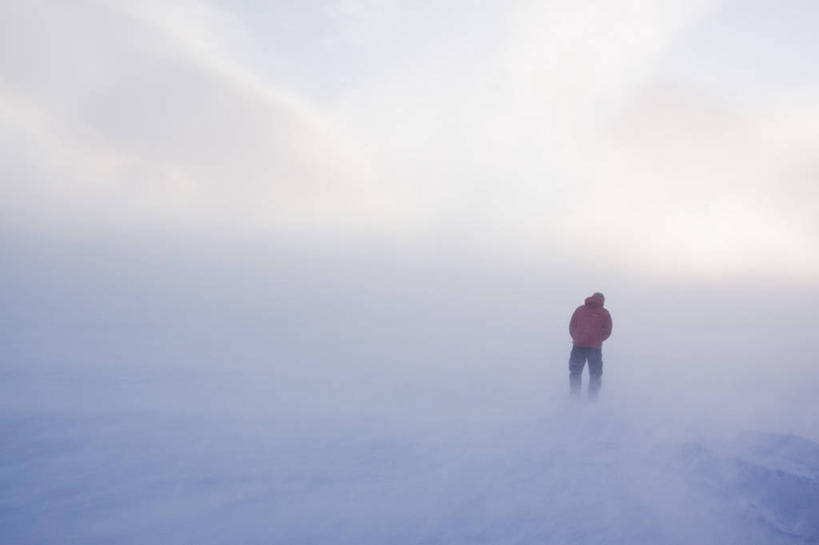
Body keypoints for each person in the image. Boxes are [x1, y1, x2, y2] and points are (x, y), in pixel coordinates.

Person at [568, 292, 612, 397]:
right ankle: (593, 398)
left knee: (575, 371)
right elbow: (608, 330)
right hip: (595, 348)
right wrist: (598, 338)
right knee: (595, 374)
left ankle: (574, 395)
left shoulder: (580, 310)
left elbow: (572, 326)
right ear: (602, 300)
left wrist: (578, 337)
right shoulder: (604, 313)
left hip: (578, 346)